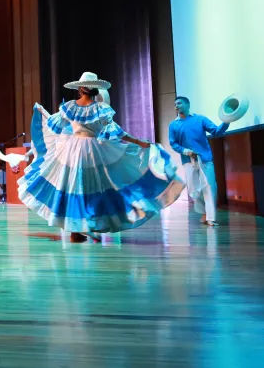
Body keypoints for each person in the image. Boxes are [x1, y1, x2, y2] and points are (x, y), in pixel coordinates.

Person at [18, 72, 184, 242]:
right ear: (95, 89)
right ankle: (88, 226)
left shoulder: (69, 107)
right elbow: (116, 132)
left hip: (72, 150)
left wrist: (61, 135)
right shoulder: (99, 108)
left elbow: (55, 126)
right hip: (93, 150)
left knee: (74, 187)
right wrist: (138, 141)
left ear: (80, 89)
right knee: (94, 187)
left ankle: (76, 231)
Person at [168, 95, 229, 227]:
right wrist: (186, 151)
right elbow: (173, 143)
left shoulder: (200, 119)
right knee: (193, 191)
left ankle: (211, 218)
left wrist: (227, 121)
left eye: (179, 103)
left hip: (205, 159)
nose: (177, 106)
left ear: (188, 105)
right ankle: (204, 212)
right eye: (175, 104)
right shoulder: (173, 125)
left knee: (209, 187)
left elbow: (216, 131)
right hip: (188, 160)